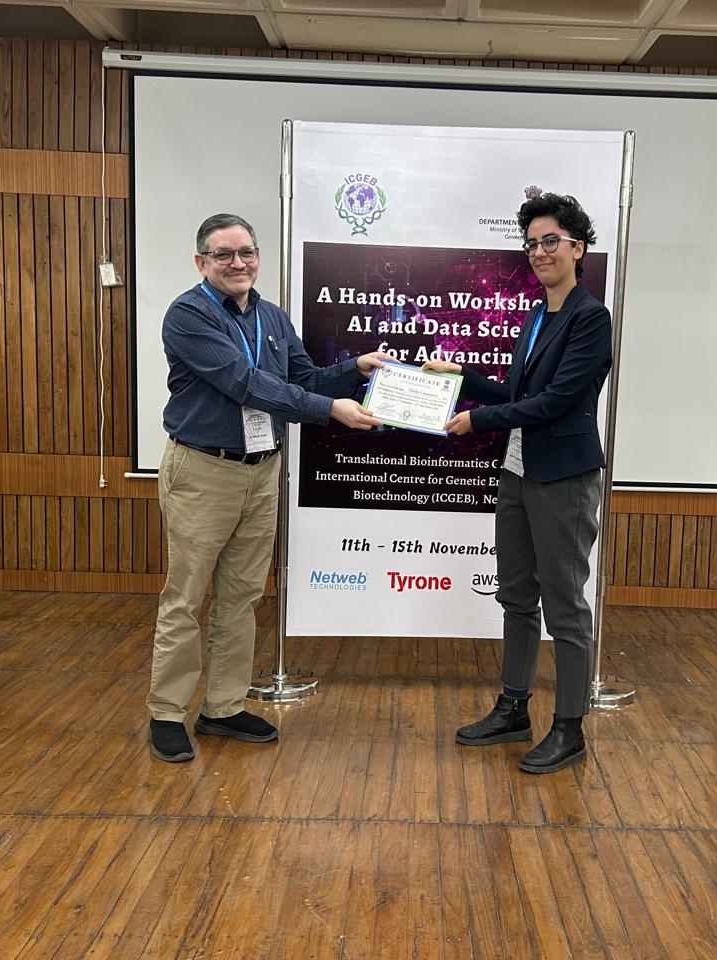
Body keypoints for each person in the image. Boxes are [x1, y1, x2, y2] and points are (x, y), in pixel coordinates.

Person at [147, 212, 390, 763]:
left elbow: (302, 380)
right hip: (204, 471)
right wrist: (329, 410)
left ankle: (222, 707)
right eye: (223, 254)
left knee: (241, 596)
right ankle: (167, 713)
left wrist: (355, 368)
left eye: (247, 253)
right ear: (201, 262)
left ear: (258, 257)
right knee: (185, 598)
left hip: (262, 470)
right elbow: (245, 384)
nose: (238, 263)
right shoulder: (188, 315)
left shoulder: (272, 316)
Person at [424, 192, 612, 773]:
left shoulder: (590, 318)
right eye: (531, 243)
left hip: (562, 478)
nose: (539, 252)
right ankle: (513, 708)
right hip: (517, 471)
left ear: (578, 248)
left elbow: (555, 402)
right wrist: (462, 377)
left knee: (565, 607)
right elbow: (518, 395)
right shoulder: (536, 315)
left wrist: (477, 420)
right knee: (515, 596)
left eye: (551, 241)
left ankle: (570, 727)